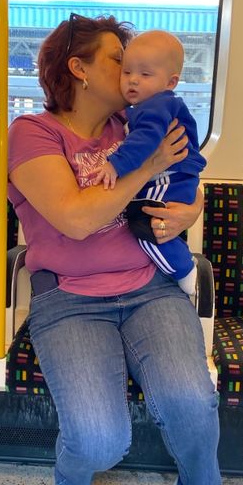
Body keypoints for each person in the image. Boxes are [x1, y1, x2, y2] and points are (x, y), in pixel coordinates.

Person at [8, 13, 221, 485]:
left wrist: (190, 210)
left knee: (191, 401)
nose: (130, 73)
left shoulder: (137, 121)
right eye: (118, 61)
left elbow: (186, 177)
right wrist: (147, 166)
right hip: (70, 299)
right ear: (79, 69)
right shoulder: (34, 132)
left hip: (150, 287)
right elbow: (76, 219)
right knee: (100, 440)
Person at [92, 30, 206, 295]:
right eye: (127, 72)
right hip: (173, 176)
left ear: (171, 82)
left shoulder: (156, 107)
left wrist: (115, 164)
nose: (132, 80)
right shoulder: (147, 106)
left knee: (146, 225)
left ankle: (184, 270)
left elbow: (145, 139)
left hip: (170, 176)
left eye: (145, 75)